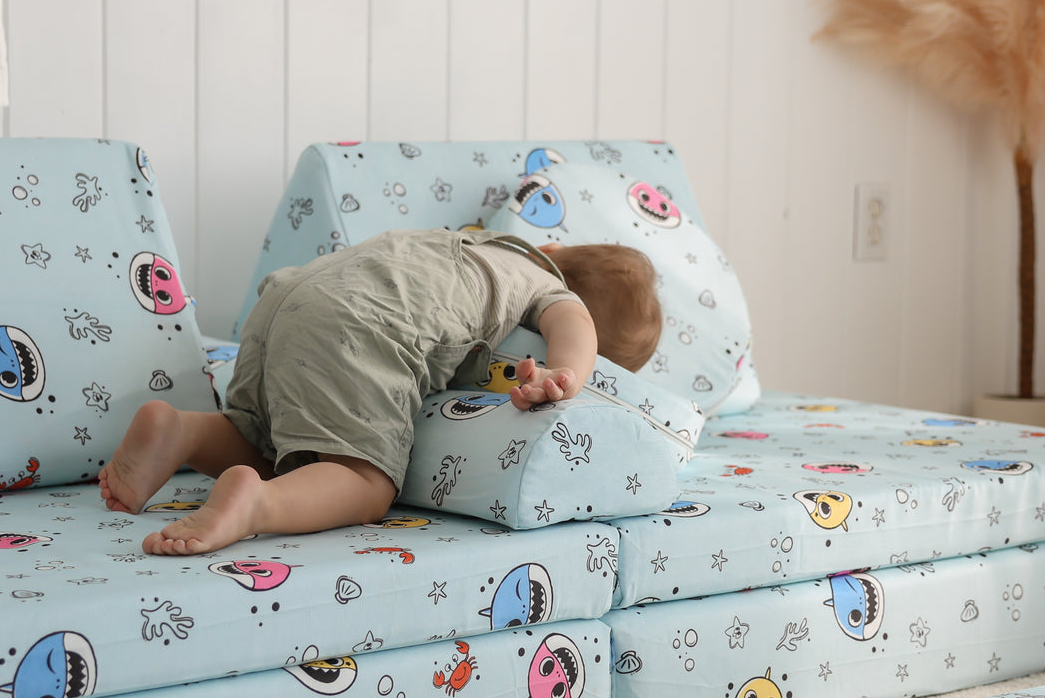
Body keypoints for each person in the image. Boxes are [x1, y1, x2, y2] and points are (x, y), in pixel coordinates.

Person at [99, 228, 661, 555]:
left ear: (556, 245)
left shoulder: (465, 241)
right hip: (365, 325)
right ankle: (256, 507)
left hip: (288, 298)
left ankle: (181, 431)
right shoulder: (545, 286)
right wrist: (562, 376)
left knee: (269, 443)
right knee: (364, 482)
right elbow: (576, 327)